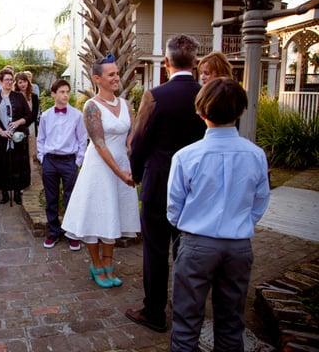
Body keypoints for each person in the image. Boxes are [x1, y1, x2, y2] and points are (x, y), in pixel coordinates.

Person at [168, 78, 270, 351]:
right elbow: (260, 201)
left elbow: (174, 208)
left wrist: (191, 227)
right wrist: (242, 224)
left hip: (197, 243)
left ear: (201, 112)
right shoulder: (256, 155)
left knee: (186, 322)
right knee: (231, 322)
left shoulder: (186, 156)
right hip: (238, 247)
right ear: (240, 111)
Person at [126, 34, 207, 332]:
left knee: (156, 251)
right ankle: (186, 310)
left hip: (160, 184)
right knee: (187, 249)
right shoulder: (205, 95)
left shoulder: (155, 96)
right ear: (195, 63)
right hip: (196, 187)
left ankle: (154, 313)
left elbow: (139, 141)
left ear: (166, 63)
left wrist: (135, 175)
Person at [61, 54, 140, 288]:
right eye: (111, 74)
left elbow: (130, 139)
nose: (117, 77)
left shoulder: (126, 104)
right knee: (96, 215)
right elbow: (99, 144)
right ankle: (96, 266)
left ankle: (108, 265)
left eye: (117, 73)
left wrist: (133, 164)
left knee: (113, 216)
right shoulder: (91, 106)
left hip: (122, 166)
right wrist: (120, 173)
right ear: (97, 78)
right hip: (100, 168)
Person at [37, 79, 87, 250]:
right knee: (51, 199)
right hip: (50, 160)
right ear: (53, 94)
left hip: (68, 161)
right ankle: (53, 233)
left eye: (67, 92)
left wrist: (77, 161)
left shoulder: (77, 115)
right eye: (62, 92)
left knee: (71, 198)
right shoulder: (45, 116)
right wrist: (42, 158)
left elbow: (82, 140)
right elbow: (41, 139)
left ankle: (71, 233)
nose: (65, 95)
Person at [0, 68, 32, 205]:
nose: (9, 82)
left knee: (18, 165)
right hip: (0, 138)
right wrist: (1, 131)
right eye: (6, 79)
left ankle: (18, 192)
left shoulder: (18, 96)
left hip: (17, 137)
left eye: (10, 79)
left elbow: (29, 115)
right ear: (0, 81)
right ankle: (5, 193)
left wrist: (18, 122)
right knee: (3, 165)